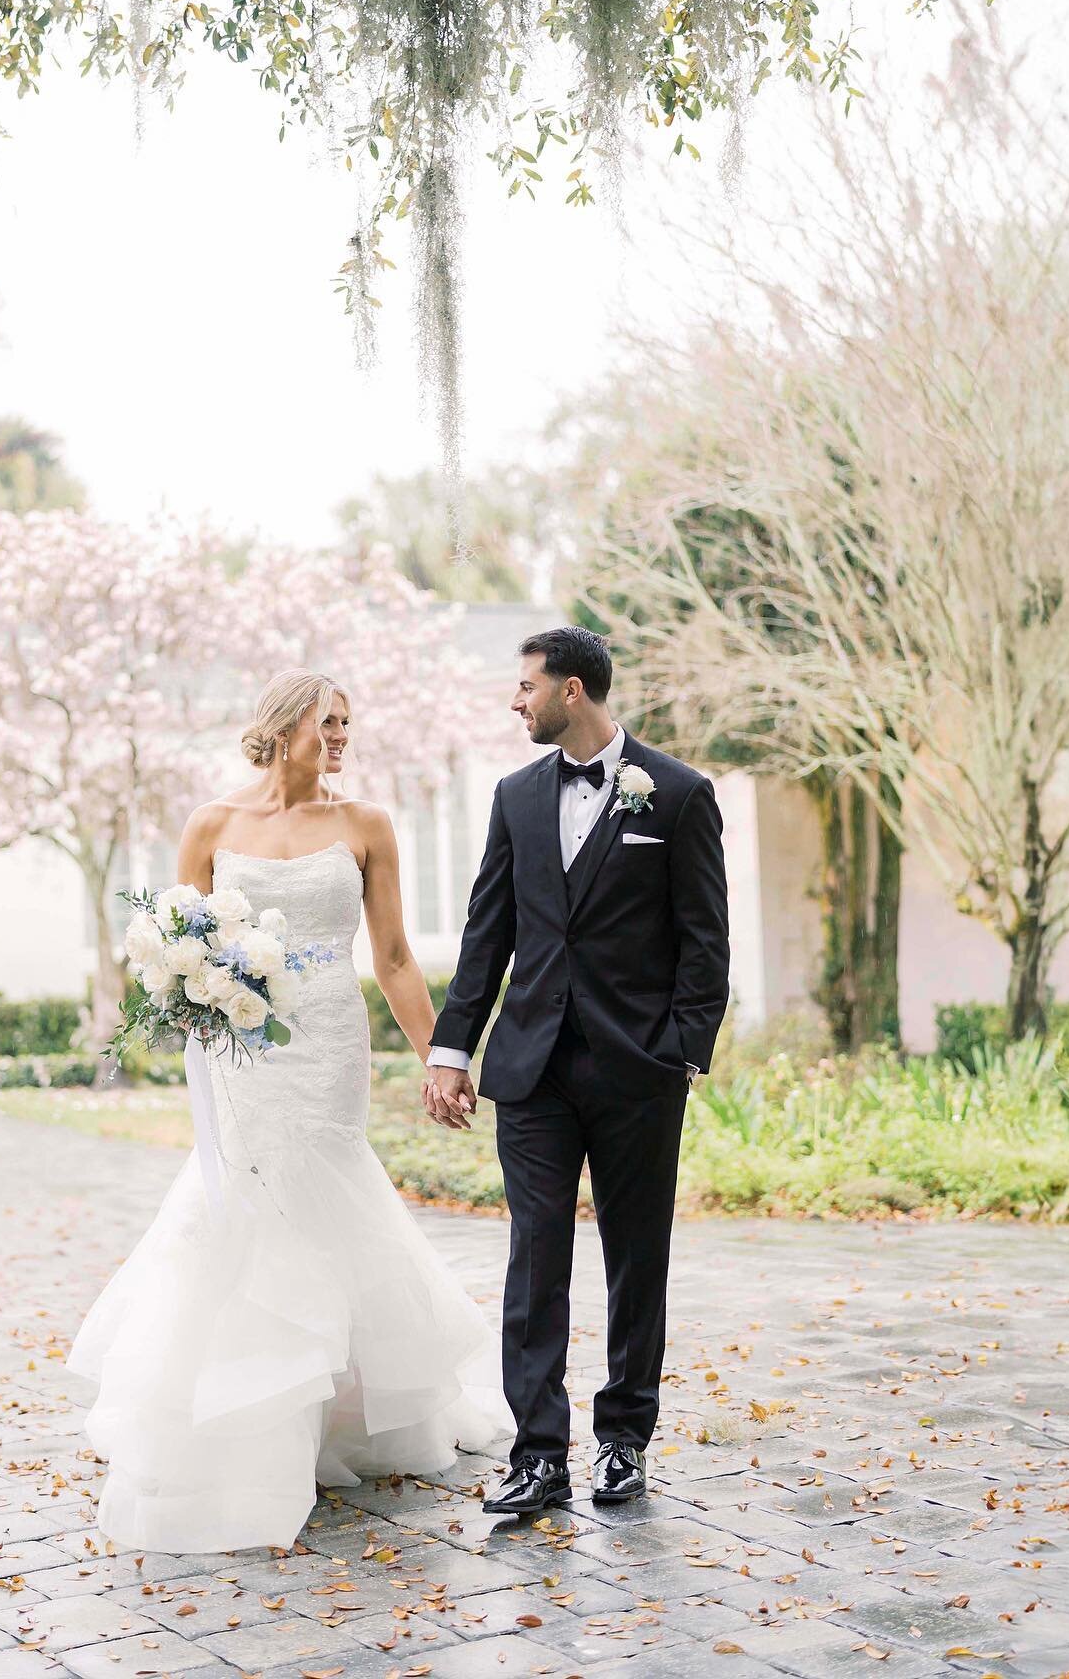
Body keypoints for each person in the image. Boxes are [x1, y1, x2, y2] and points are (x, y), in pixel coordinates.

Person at [67, 668, 510, 1553]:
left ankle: (344, 1414)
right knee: (242, 1200)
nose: (342, 736)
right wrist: (194, 996)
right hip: (241, 1052)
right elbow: (173, 942)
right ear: (281, 725)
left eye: (349, 722)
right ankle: (249, 1411)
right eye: (329, 721)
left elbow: (390, 957)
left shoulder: (365, 826)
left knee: (326, 1196)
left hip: (328, 1046)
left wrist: (441, 1057)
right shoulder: (213, 825)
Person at [425, 626, 730, 1514]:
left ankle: (626, 1442)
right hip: (532, 1071)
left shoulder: (677, 794)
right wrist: (454, 1049)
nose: (514, 702)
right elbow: (489, 932)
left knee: (637, 1259)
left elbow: (704, 940)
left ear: (572, 691)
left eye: (526, 686)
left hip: (638, 1071)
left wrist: (681, 1050)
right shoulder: (516, 796)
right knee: (535, 1258)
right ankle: (538, 1455)